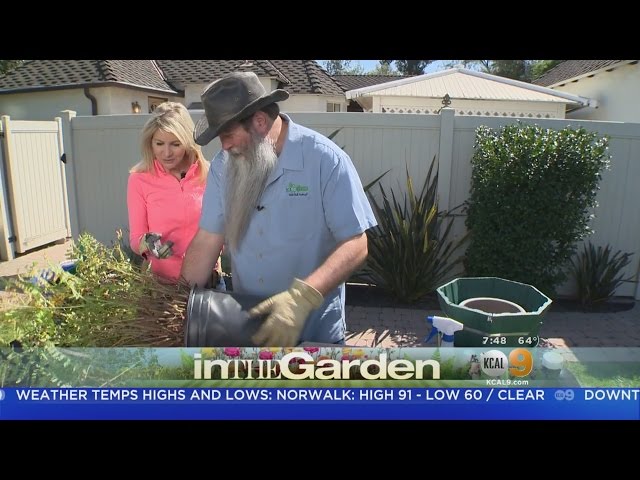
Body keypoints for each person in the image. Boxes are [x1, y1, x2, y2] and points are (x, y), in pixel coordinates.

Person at [181, 72, 377, 346]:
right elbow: (207, 239)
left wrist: (302, 298)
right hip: (249, 330)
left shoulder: (326, 160)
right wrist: (178, 301)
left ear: (260, 122)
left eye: (228, 135)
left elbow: (356, 244)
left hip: (315, 334)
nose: (224, 146)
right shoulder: (222, 167)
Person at [127, 101, 223, 285]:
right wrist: (148, 243)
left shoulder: (210, 174)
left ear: (187, 142)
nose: (166, 153)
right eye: (159, 144)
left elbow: (223, 230)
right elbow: (135, 238)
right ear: (150, 143)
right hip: (162, 286)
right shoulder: (138, 179)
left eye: (175, 144)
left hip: (207, 282)